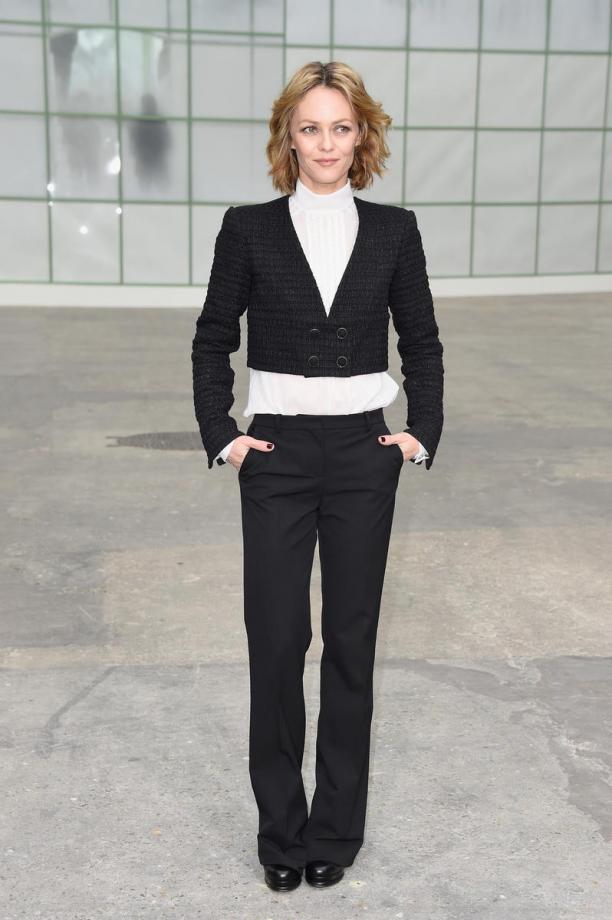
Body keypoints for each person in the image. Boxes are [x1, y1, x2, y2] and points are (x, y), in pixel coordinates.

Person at [191, 60, 444, 894]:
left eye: (341, 127)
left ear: (361, 135)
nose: (326, 143)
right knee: (276, 640)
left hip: (365, 454)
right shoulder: (249, 229)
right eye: (310, 128)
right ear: (288, 138)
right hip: (277, 455)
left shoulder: (395, 230)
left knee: (351, 640)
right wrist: (223, 436)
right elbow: (213, 336)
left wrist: (418, 433)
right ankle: (281, 832)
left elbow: (422, 340)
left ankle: (335, 829)